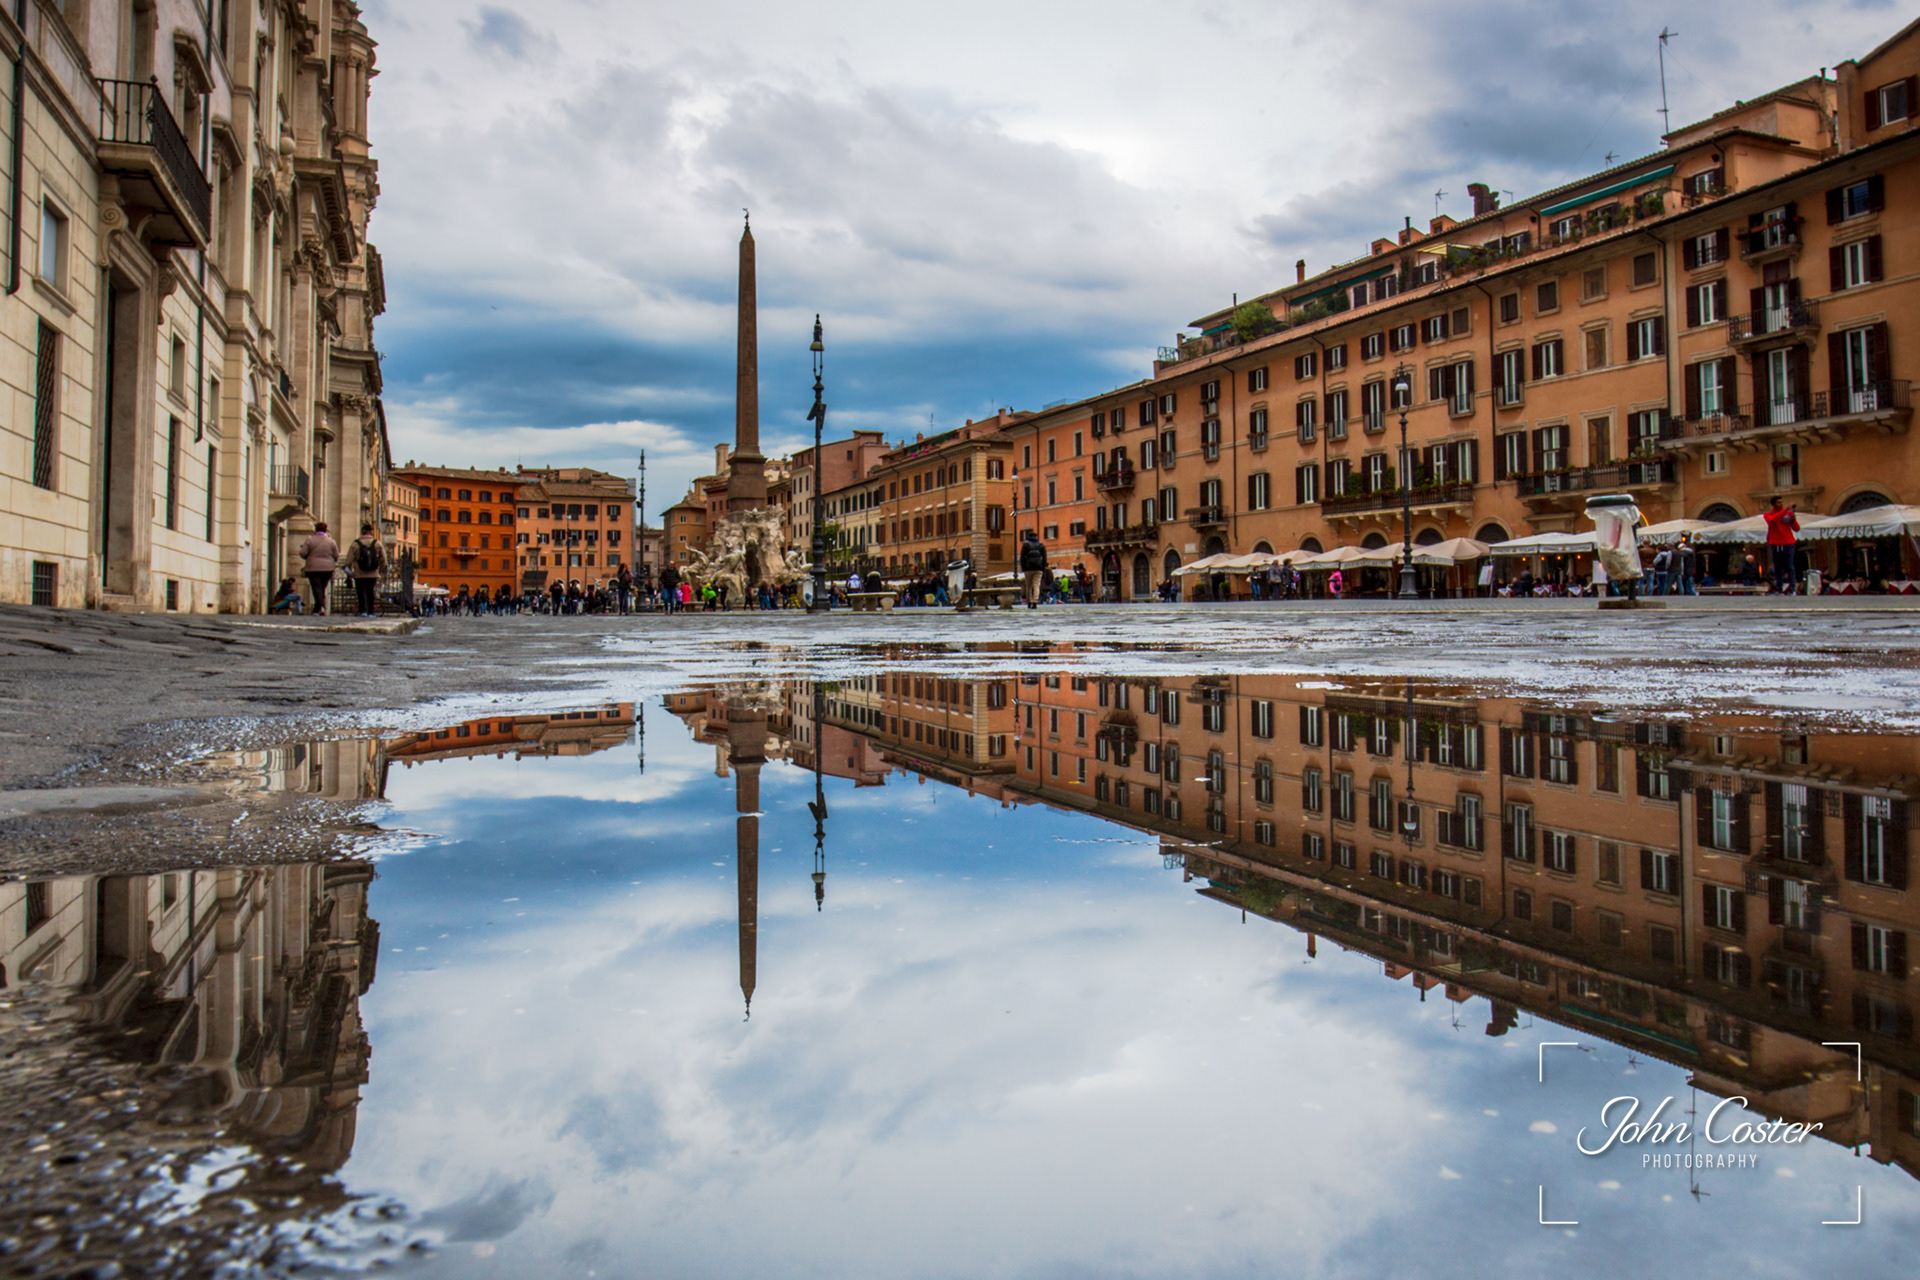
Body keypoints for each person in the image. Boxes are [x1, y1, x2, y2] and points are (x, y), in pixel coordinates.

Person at [298, 522, 339, 615]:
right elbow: (336, 555)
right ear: (326, 530)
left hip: (313, 568)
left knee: (316, 588)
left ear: (316, 529)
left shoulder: (310, 540)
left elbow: (303, 553)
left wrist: (308, 556)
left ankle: (320, 607)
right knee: (322, 588)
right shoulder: (331, 541)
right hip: (328, 568)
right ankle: (318, 609)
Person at [1764, 495, 1800, 595]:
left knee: (1789, 566)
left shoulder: (1787, 514)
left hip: (1787, 542)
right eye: (1779, 502)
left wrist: (1793, 520)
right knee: (1777, 567)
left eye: (1782, 502)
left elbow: (1796, 528)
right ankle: (1779, 589)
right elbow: (1772, 520)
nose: (1781, 504)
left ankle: (1792, 588)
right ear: (1773, 504)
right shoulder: (1768, 514)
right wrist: (1785, 511)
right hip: (1775, 543)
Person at [345, 523, 384, 616]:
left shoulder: (355, 543)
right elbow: (383, 559)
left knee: (361, 591)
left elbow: (348, 561)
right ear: (371, 532)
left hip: (359, 572)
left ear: (362, 532)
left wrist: (350, 573)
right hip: (373, 572)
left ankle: (363, 610)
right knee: (370, 591)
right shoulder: (377, 543)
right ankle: (371, 611)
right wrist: (380, 570)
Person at [1019, 530, 1048, 608]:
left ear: (1028, 537)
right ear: (1036, 537)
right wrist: (1042, 568)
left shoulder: (1026, 545)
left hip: (1028, 568)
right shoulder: (1041, 545)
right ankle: (1035, 602)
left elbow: (1022, 558)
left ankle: (1029, 602)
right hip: (1038, 568)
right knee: (1036, 585)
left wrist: (1023, 568)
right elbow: (1044, 558)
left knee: (1028, 586)